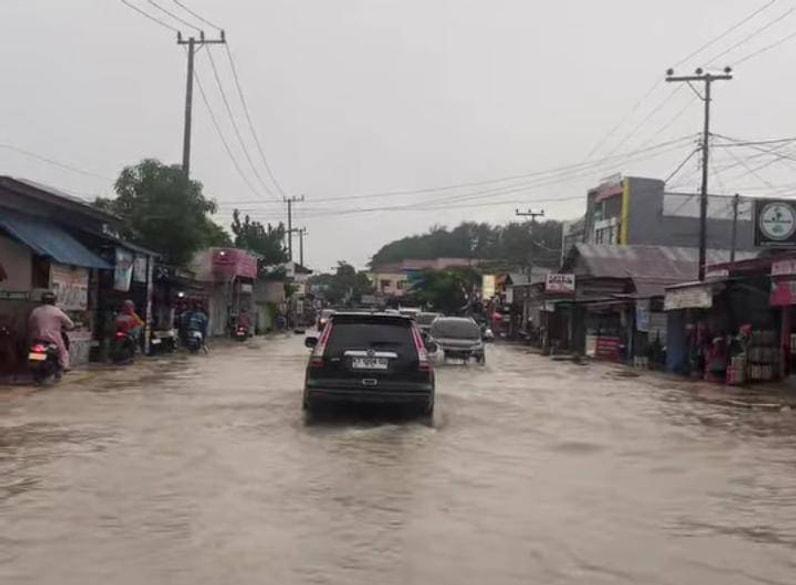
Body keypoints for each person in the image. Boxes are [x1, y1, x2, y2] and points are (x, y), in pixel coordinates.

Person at [28, 291, 74, 370]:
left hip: (37, 338)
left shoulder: (36, 311)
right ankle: (64, 365)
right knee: (62, 351)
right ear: (54, 301)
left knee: (31, 350)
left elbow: (30, 323)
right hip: (53, 338)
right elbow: (70, 324)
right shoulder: (57, 311)